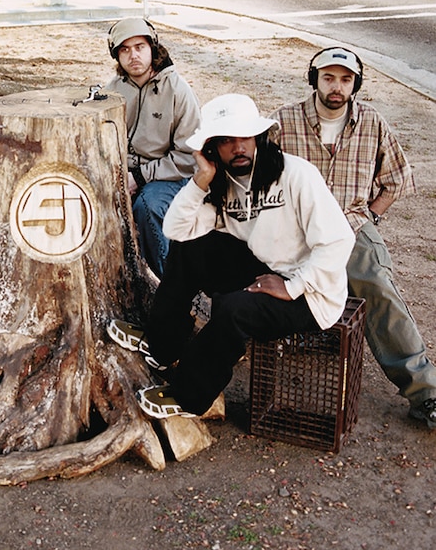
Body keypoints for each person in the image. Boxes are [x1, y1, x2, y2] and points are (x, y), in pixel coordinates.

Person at [107, 94, 354, 418]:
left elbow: (339, 241)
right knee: (190, 248)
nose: (237, 147)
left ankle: (189, 397)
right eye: (225, 140)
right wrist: (200, 180)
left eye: (244, 137)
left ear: (258, 138)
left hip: (313, 294)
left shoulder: (296, 175)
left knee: (235, 309)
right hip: (265, 266)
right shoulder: (225, 184)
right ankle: (162, 344)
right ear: (212, 149)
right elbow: (177, 231)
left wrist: (292, 286)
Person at [270, 47, 436, 428]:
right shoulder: (283, 121)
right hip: (295, 228)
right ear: (314, 80)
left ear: (355, 84)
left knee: (378, 285)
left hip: (350, 227)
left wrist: (371, 215)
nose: (336, 87)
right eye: (328, 78)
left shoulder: (372, 123)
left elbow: (397, 180)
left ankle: (426, 393)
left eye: (345, 80)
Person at [105, 17, 201, 278]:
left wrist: (139, 176)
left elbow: (189, 156)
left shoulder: (177, 90)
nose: (133, 55)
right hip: (123, 172)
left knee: (147, 208)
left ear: (152, 48)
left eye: (139, 47)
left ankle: (166, 286)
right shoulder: (112, 91)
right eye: (124, 50)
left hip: (169, 175)